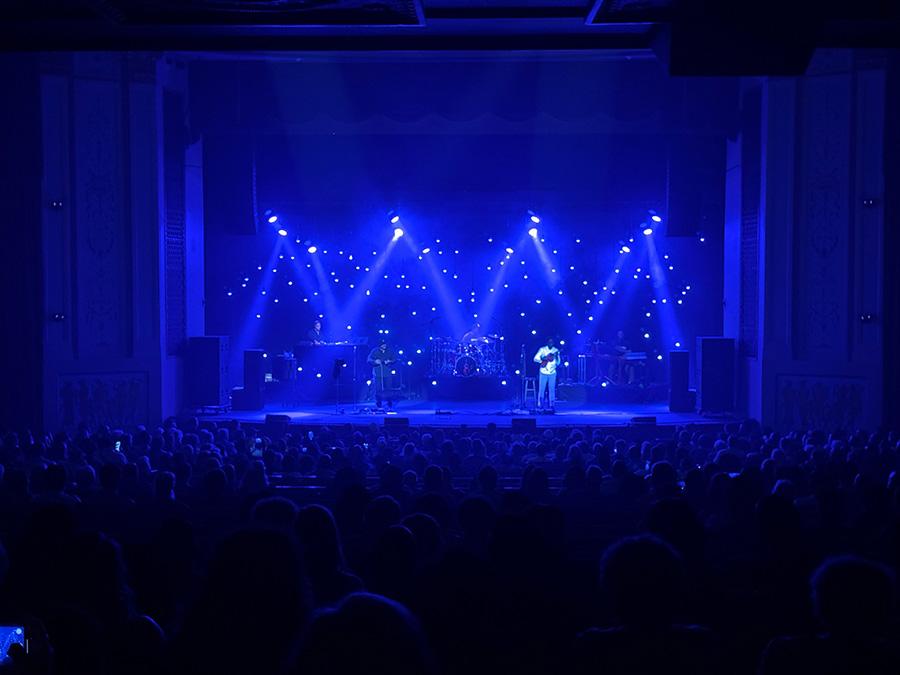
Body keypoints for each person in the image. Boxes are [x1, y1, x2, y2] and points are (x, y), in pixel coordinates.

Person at [368, 339, 396, 410]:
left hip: (387, 373)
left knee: (388, 389)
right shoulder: (374, 351)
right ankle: (378, 404)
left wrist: (390, 361)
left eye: (385, 344)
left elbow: (394, 359)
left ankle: (389, 403)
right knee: (378, 389)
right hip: (377, 373)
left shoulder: (390, 351)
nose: (384, 346)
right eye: (382, 345)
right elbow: (369, 359)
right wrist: (375, 361)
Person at [533, 337, 560, 411]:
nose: (550, 343)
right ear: (547, 342)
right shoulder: (542, 349)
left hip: (552, 373)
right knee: (541, 389)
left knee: (552, 389)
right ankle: (540, 405)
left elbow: (558, 363)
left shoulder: (556, 350)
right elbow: (535, 358)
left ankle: (552, 405)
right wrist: (542, 359)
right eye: (549, 342)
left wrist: (557, 357)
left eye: (552, 342)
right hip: (543, 372)